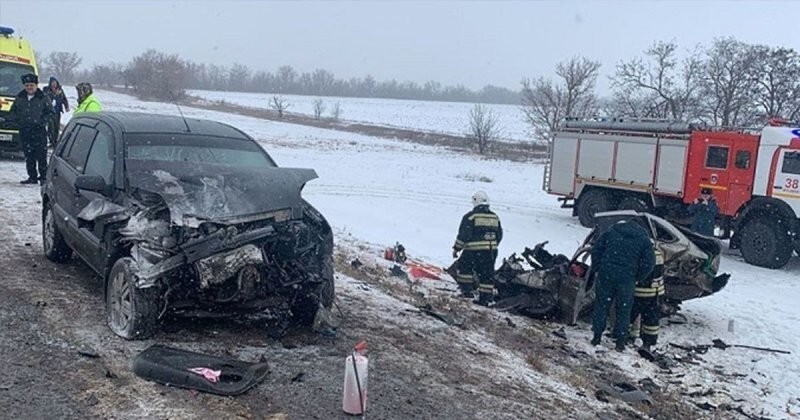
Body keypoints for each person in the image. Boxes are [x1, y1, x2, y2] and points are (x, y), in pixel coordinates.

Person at [590, 219, 655, 352]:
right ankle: (620, 342)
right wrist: (638, 277)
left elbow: (596, 249)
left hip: (606, 274)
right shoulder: (643, 239)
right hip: (627, 279)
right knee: (624, 310)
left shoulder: (612, 231)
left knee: (601, 305)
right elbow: (649, 263)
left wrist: (597, 267)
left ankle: (596, 336)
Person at [452, 191, 503, 306]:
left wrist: (456, 248)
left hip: (473, 251)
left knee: (464, 267)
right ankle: (485, 298)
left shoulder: (471, 217)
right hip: (491, 251)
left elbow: (464, 235)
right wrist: (491, 245)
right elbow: (499, 235)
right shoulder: (495, 217)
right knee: (487, 273)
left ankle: (466, 291)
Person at [7, 73, 53, 184]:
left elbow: (50, 113)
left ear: (36, 85)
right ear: (24, 86)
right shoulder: (20, 97)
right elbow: (13, 112)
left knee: (41, 156)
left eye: (31, 85)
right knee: (29, 155)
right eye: (27, 85)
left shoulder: (43, 97)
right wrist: (18, 122)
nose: (29, 88)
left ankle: (43, 177)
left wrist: (42, 122)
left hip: (39, 131)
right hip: (25, 131)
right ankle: (32, 177)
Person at [628, 246, 665, 351]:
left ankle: (626, 336)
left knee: (630, 314)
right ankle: (648, 342)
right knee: (651, 319)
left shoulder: (639, 253)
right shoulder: (658, 253)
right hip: (657, 293)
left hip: (641, 292)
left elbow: (638, 273)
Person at [42, 77, 69, 146]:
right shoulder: (46, 90)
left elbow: (64, 99)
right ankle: (51, 140)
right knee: (51, 126)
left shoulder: (60, 90)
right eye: (52, 83)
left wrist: (66, 106)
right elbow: (45, 98)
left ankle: (55, 140)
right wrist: (54, 95)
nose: (54, 84)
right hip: (49, 111)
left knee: (56, 126)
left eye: (55, 83)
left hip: (57, 111)